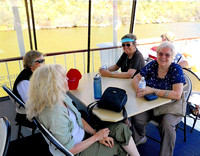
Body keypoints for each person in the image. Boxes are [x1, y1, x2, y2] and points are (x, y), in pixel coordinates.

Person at [26, 64, 140, 156]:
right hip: (77, 151)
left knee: (121, 128)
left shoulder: (60, 97)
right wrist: (96, 138)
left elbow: (78, 118)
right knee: (120, 146)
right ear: (53, 85)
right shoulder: (54, 114)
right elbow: (69, 150)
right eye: (63, 77)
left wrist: (95, 133)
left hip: (83, 137)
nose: (67, 79)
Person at [131, 41, 185, 156]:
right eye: (160, 54)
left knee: (167, 125)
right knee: (137, 116)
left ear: (173, 57)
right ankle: (140, 137)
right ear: (156, 54)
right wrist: (139, 89)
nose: (163, 57)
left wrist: (153, 90)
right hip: (152, 103)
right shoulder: (153, 65)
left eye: (167, 55)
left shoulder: (176, 69)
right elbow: (136, 78)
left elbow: (177, 94)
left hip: (171, 106)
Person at [13, 50, 44, 128]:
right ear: (31, 65)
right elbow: (32, 104)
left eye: (43, 60)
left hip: (39, 108)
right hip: (30, 116)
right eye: (40, 61)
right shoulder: (24, 82)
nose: (43, 63)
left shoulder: (34, 74)